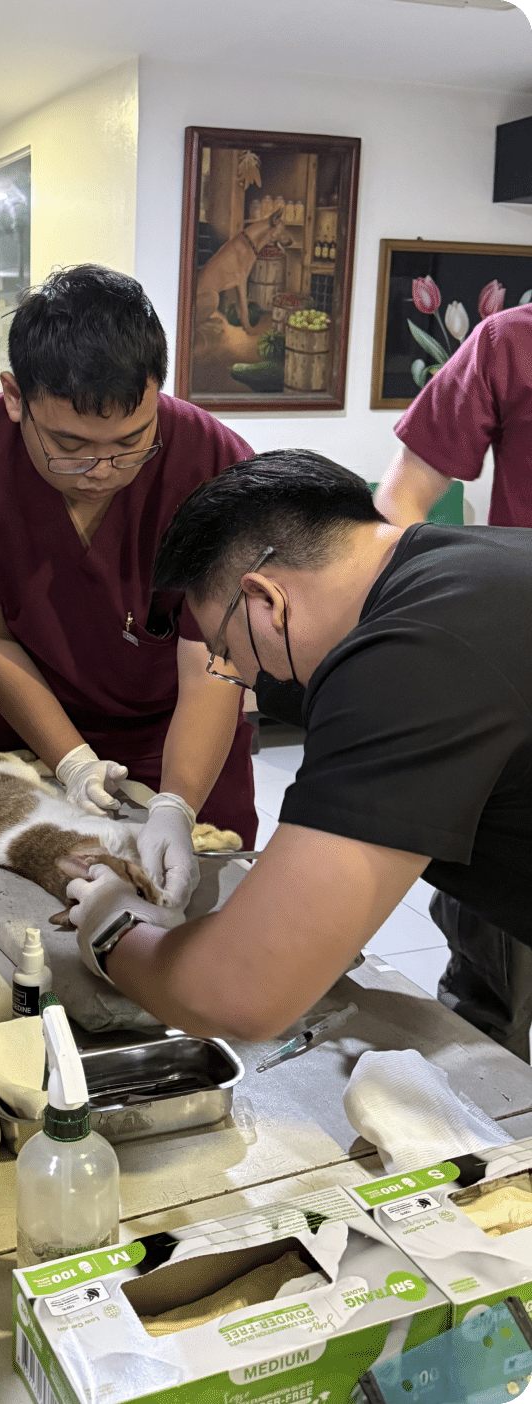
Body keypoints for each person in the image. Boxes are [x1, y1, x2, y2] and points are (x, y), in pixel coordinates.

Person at [64, 451, 532, 1048]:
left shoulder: (407, 661)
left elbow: (237, 993)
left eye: (228, 651)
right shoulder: (466, 565)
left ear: (265, 601)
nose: (240, 678)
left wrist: (111, 928)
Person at [0, 265, 257, 909]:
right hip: (32, 727)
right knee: (33, 923)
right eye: (70, 446)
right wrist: (71, 760)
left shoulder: (215, 464)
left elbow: (214, 659)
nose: (103, 471)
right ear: (15, 397)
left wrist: (177, 805)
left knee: (203, 924)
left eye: (132, 444)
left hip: (182, 734)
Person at [374, 304, 532, 1058]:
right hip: (520, 680)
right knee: (492, 981)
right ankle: (486, 1157)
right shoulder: (511, 341)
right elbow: (399, 502)